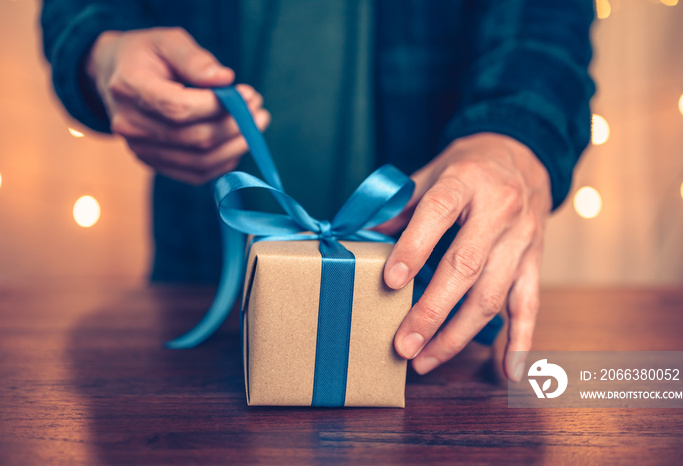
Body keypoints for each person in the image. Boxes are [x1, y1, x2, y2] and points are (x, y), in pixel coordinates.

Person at [41, 0, 595, 382]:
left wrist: (513, 133)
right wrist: (101, 47)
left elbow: (544, 18)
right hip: (203, 288)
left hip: (432, 314)